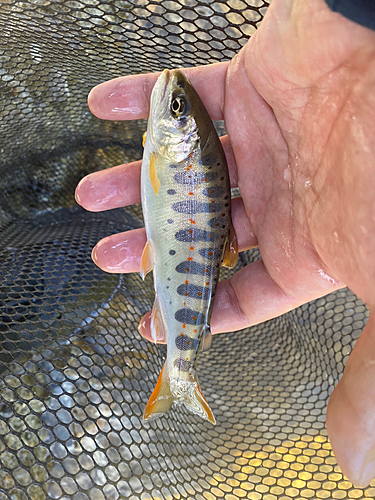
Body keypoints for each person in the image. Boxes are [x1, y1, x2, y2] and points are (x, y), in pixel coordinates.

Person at [75, 0, 375, 487]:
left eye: (176, 110)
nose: (170, 87)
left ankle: (181, 371)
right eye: (179, 107)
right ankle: (180, 371)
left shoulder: (164, 152)